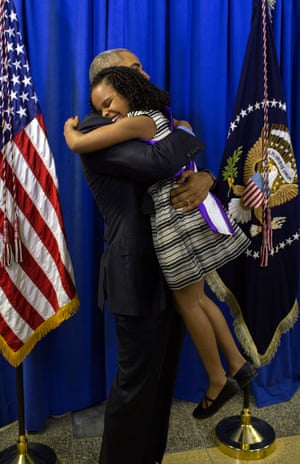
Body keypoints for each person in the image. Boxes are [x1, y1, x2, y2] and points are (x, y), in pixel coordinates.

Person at [64, 65, 257, 424]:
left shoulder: (139, 120)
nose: (105, 114)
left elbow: (88, 145)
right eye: (101, 108)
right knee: (199, 298)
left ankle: (217, 380)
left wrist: (70, 134)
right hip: (185, 212)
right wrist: (183, 130)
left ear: (129, 90)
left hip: (173, 219)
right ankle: (237, 363)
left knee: (187, 303)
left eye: (108, 103)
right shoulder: (160, 117)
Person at [70, 48, 213, 464]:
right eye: (135, 69)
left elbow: (181, 177)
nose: (145, 73)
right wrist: (184, 126)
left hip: (175, 271)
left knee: (160, 386)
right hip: (137, 276)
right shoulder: (100, 132)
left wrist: (205, 178)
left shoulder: (146, 127)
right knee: (133, 392)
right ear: (112, 82)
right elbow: (162, 162)